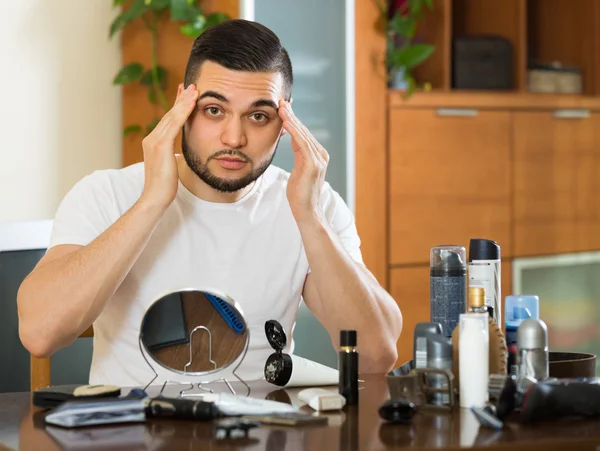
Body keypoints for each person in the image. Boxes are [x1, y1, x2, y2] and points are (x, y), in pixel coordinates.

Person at [17, 19, 402, 387]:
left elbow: (376, 355)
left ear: (287, 122)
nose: (234, 137)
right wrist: (152, 202)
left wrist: (309, 217)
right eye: (214, 110)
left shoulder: (312, 205)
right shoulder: (106, 194)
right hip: (130, 433)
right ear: (184, 106)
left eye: (258, 115)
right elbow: (40, 333)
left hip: (264, 435)